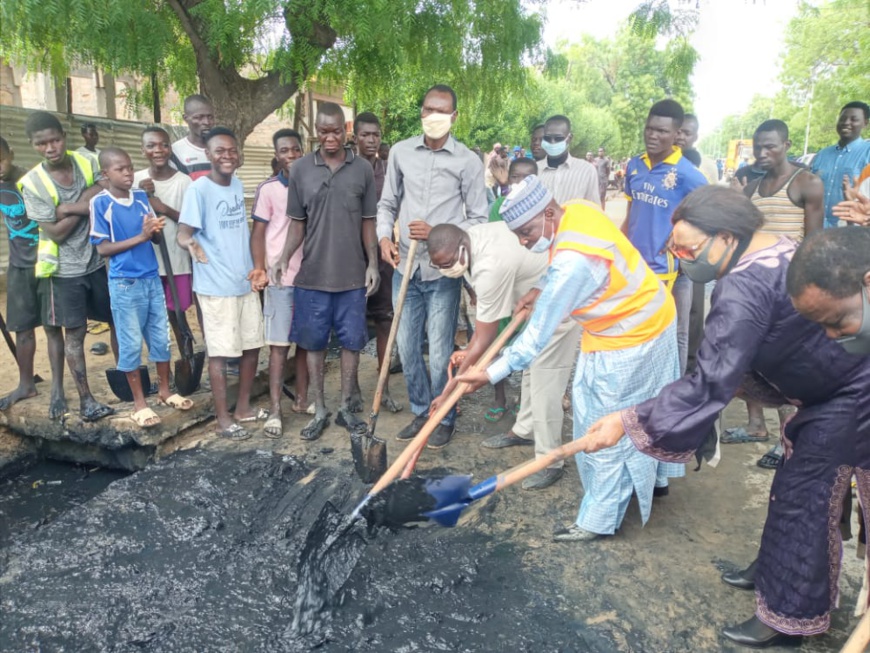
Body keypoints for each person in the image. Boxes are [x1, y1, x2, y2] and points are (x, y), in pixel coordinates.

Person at [573, 186, 870, 648]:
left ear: (727, 237)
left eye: (688, 249)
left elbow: (711, 380)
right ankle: (775, 571)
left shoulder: (742, 286)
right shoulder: (775, 247)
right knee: (791, 488)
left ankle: (790, 616)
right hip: (828, 388)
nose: (680, 258)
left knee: (804, 497)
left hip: (849, 395)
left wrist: (628, 421)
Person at [457, 175, 681, 539]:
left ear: (548, 212)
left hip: (632, 336)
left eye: (526, 232)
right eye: (517, 234)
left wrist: (490, 373)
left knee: (601, 429)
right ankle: (654, 481)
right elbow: (563, 266)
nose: (524, 241)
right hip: (644, 318)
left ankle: (598, 520)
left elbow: (534, 340)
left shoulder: (573, 262)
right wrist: (540, 288)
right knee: (642, 409)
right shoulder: (576, 210)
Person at [429, 220, 581, 489]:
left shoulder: (490, 268)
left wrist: (448, 392)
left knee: (546, 383)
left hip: (559, 307)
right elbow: (479, 336)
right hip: (535, 305)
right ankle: (524, 430)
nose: (446, 269)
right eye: (439, 266)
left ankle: (550, 461)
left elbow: (485, 340)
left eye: (449, 262)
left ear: (462, 247)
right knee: (531, 368)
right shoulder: (470, 241)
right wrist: (466, 356)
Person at [377, 83, 488, 449]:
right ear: (421, 112)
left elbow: (479, 220)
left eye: (441, 112)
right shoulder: (400, 152)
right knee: (407, 348)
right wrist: (383, 238)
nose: (433, 117)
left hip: (442, 272)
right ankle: (423, 411)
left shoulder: (468, 162)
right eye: (427, 110)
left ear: (454, 117)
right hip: (405, 269)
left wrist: (441, 233)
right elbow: (387, 204)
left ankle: (445, 416)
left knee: (440, 351)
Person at [270, 102, 380, 441]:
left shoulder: (362, 169)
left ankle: (346, 408)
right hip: (312, 277)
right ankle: (319, 408)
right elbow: (296, 225)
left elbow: (368, 223)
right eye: (323, 131)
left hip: (351, 277)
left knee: (351, 344)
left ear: (345, 131)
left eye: (335, 131)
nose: (329, 137)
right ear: (315, 131)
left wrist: (373, 263)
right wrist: (282, 258)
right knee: (314, 345)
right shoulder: (301, 169)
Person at [725, 120, 825, 462]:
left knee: (785, 366)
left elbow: (813, 244)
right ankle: (755, 425)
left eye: (771, 146)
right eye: (758, 147)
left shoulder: (806, 183)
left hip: (789, 291)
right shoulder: (752, 187)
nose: (763, 153)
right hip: (757, 291)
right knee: (753, 359)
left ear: (786, 144)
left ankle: (787, 441)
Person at [19, 111, 116, 422]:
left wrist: (69, 207)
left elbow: (107, 188)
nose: (50, 148)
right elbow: (56, 233)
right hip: (62, 271)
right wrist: (88, 205)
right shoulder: (32, 183)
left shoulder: (87, 161)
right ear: (33, 145)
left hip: (97, 260)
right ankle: (86, 400)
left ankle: (129, 384)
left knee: (116, 319)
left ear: (64, 136)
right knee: (73, 333)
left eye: (55, 139)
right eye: (41, 143)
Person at [90, 148, 194, 427]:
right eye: (119, 169)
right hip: (125, 283)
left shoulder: (140, 198)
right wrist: (141, 235)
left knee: (160, 338)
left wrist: (155, 231)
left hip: (151, 277)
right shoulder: (101, 204)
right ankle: (139, 404)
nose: (127, 173)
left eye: (129, 168)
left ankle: (164, 391)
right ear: (105, 174)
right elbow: (103, 249)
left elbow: (155, 240)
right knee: (131, 341)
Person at [177, 127, 264, 441]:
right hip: (215, 285)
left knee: (252, 346)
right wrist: (190, 244)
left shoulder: (238, 185)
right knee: (220, 353)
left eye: (231, 150)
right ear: (208, 155)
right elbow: (183, 232)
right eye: (220, 151)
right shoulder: (199, 191)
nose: (227, 156)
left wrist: (256, 268)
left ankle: (242, 408)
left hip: (243, 281)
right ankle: (223, 418)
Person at [623, 99, 707, 374]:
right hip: (636, 269)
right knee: (638, 331)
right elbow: (631, 211)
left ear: (676, 134)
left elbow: (706, 224)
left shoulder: (689, 176)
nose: (653, 135)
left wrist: (684, 250)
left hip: (671, 274)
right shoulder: (635, 166)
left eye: (661, 131)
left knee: (675, 335)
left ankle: (672, 393)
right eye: (649, 129)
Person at [250, 128, 308, 438]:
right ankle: (275, 409)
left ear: (303, 151)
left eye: (295, 150)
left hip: (311, 278)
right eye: (284, 150)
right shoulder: (269, 189)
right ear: (277, 155)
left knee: (306, 343)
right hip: (281, 279)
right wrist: (261, 268)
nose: (290, 155)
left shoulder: (313, 184)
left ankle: (301, 400)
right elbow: (258, 233)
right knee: (279, 347)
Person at [353, 112, 402, 413]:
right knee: (353, 325)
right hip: (351, 257)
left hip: (383, 256)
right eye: (365, 135)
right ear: (355, 137)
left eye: (376, 135)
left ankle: (382, 388)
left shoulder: (389, 171)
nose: (371, 140)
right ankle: (353, 390)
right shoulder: (347, 169)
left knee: (385, 320)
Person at [133, 127, 194, 351]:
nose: (158, 150)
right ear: (142, 150)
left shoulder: (184, 182)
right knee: (151, 314)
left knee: (176, 311)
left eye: (164, 145)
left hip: (176, 260)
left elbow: (190, 220)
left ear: (170, 149)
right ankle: (160, 360)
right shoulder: (136, 179)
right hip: (146, 261)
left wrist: (163, 208)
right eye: (151, 146)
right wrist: (139, 194)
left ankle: (186, 353)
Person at [0, 137, 40, 410]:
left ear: (10, 154)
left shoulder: (30, 180)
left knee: (54, 327)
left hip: (47, 261)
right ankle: (27, 384)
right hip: (18, 263)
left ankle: (63, 387)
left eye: (1, 159)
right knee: (21, 325)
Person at [811, 101, 870, 228]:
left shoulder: (868, 152)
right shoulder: (822, 154)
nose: (846, 122)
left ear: (865, 123)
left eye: (853, 119)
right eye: (842, 119)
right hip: (816, 228)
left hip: (852, 231)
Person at [537, 115, 598, 205]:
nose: (552, 142)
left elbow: (593, 210)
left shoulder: (586, 170)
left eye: (558, 138)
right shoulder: (533, 171)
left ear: (569, 138)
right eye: (547, 138)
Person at [171, 95, 216, 181]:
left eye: (210, 117)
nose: (206, 122)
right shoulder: (175, 152)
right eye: (199, 117)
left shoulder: (223, 149)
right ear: (185, 118)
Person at [675, 114, 718, 184]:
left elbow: (712, 193)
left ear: (696, 137)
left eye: (687, 134)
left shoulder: (709, 166)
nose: (681, 137)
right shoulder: (661, 160)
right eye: (678, 132)